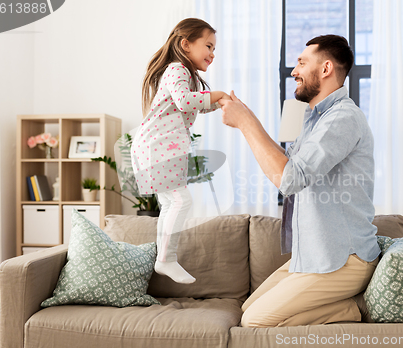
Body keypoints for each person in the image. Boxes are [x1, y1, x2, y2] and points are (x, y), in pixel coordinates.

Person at [219, 35, 380, 327]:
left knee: (254, 322)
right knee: (246, 310)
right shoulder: (311, 117)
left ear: (326, 68)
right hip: (313, 257)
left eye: (301, 63)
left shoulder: (342, 118)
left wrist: (246, 122)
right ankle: (341, 305)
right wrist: (249, 117)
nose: (294, 71)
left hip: (344, 260)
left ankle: (350, 310)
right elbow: (286, 166)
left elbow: (289, 179)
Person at [131, 18, 230, 284]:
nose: (212, 53)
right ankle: (166, 259)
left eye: (214, 49)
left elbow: (191, 105)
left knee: (169, 203)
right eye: (208, 46)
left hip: (159, 146)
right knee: (180, 201)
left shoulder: (183, 74)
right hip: (157, 146)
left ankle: (164, 257)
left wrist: (219, 102)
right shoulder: (177, 69)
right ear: (186, 44)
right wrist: (218, 94)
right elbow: (185, 101)